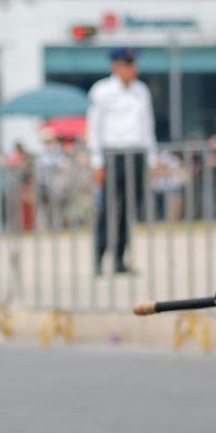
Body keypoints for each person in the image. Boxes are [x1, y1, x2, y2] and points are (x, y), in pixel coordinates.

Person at [86, 47, 156, 275]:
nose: (131, 69)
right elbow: (94, 128)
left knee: (129, 209)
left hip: (135, 153)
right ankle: (98, 258)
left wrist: (151, 159)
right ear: (115, 66)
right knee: (107, 209)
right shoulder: (102, 90)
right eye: (127, 64)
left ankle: (119, 259)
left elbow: (148, 126)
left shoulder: (141, 91)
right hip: (112, 154)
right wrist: (97, 162)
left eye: (133, 64)